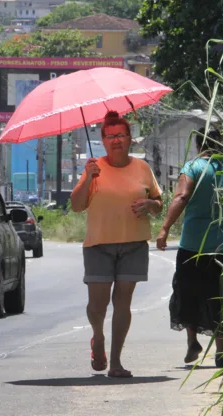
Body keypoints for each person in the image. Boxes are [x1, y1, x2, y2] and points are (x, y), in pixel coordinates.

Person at [71, 111, 163, 378]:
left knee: (123, 303)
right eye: (110, 136)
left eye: (120, 135)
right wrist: (88, 177)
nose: (116, 141)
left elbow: (158, 203)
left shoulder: (142, 168)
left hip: (133, 244)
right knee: (97, 305)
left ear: (129, 138)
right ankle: (97, 337)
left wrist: (150, 205)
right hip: (98, 245)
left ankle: (116, 362)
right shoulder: (94, 167)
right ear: (102, 140)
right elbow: (77, 206)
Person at [156, 127, 223, 368]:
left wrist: (165, 228)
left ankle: (192, 341)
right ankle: (221, 350)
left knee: (189, 292)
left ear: (199, 146)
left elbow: (181, 197)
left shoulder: (194, 167)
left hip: (194, 246)